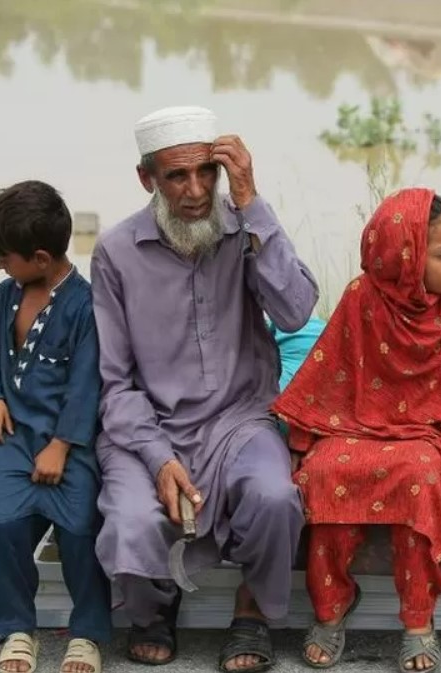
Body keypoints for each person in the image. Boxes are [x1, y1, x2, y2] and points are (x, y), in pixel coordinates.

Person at [91, 105, 319, 672]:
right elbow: (115, 384)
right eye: (177, 176)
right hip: (149, 427)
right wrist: (158, 456)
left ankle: (251, 611)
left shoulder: (244, 228)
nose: (196, 191)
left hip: (240, 420)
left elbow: (295, 313)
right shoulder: (115, 252)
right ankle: (153, 610)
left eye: (206, 174)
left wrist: (252, 201)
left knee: (274, 497)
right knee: (132, 519)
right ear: (147, 178)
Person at [273, 188, 441, 672]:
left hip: (430, 433)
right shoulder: (361, 298)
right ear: (405, 258)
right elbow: (326, 375)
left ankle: (418, 620)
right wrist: (302, 442)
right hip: (359, 426)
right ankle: (330, 611)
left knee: (420, 478)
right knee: (324, 474)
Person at [0, 180, 110, 673]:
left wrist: (60, 445)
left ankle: (88, 633)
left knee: (79, 530)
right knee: (4, 524)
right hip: (13, 441)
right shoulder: (3, 297)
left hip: (68, 446)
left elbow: (86, 384)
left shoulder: (85, 306)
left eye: (4, 256)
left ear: (40, 256)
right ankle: (16, 627)